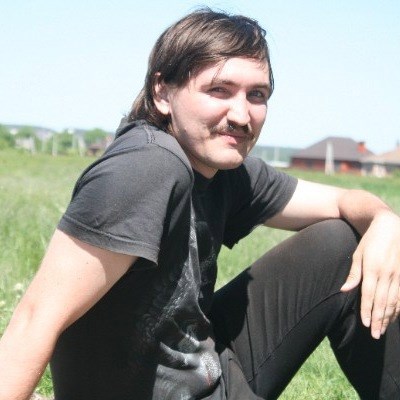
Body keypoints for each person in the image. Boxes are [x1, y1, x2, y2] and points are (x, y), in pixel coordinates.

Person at [0, 8, 399, 400]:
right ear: (162, 92)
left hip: (208, 370)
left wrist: (383, 220)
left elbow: (342, 201)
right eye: (218, 90)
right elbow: (35, 318)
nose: (241, 115)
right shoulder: (146, 168)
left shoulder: (225, 168)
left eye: (256, 95)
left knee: (342, 244)